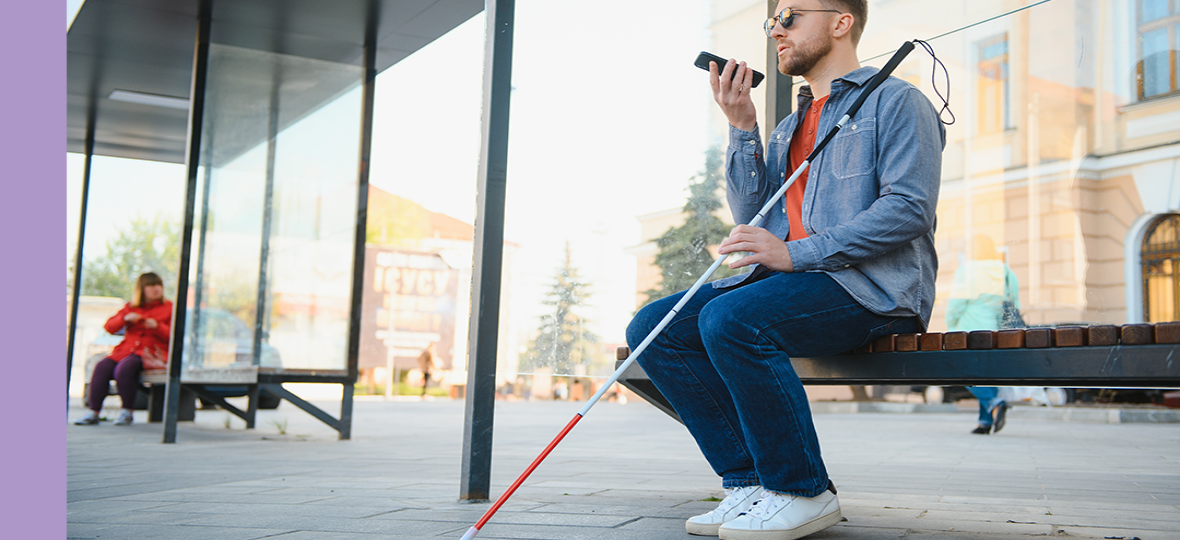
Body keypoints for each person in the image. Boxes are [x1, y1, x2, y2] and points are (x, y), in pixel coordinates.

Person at [626, 1, 945, 538]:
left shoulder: (897, 102)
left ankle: (802, 490)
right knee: (653, 328)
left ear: (841, 22)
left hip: (871, 290)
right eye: (771, 18)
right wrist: (742, 127)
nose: (776, 27)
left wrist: (794, 254)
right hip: (794, 286)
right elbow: (756, 215)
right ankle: (750, 483)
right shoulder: (790, 126)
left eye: (792, 15)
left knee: (732, 320)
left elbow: (909, 209)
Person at [74, 272, 173, 426]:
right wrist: (124, 319)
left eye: (158, 285)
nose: (156, 289)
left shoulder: (169, 308)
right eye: (151, 285)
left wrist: (158, 326)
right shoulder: (130, 307)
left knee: (125, 369)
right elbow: (109, 327)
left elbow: (175, 336)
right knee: (101, 367)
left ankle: (127, 412)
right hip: (125, 351)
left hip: (151, 353)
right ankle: (93, 412)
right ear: (142, 289)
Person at [945, 235, 1017, 435]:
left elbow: (956, 304)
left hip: (967, 330)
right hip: (993, 331)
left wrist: (950, 323)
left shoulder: (967, 270)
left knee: (962, 373)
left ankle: (995, 403)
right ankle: (985, 422)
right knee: (985, 376)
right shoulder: (1006, 273)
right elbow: (1014, 305)